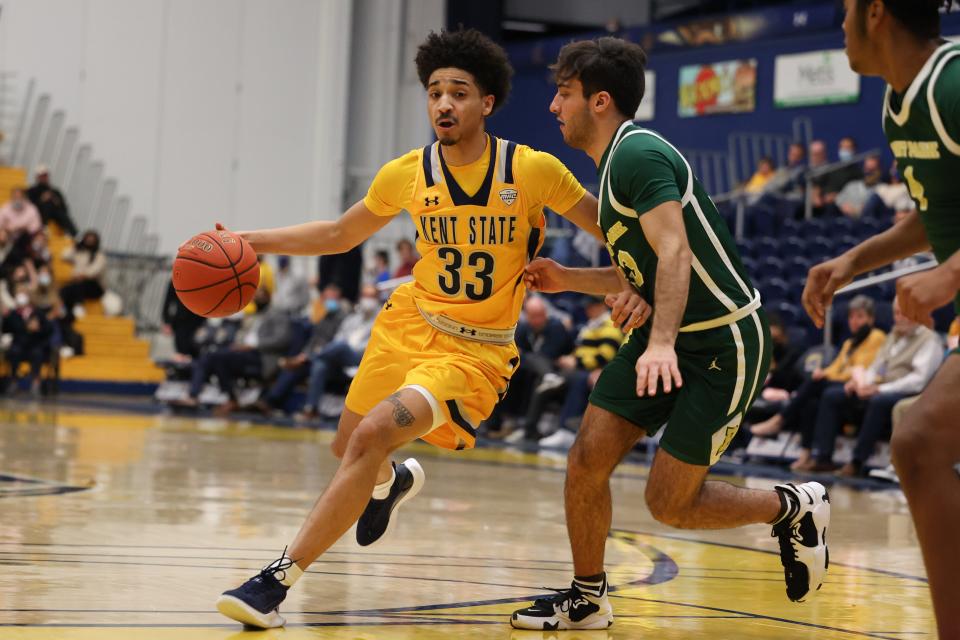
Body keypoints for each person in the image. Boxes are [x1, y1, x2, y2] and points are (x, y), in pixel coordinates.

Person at [214, 28, 626, 629]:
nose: (443, 104)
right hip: (407, 321)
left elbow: (612, 229)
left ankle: (274, 583)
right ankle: (392, 483)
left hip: (473, 353)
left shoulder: (531, 170)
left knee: (369, 437)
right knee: (349, 447)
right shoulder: (407, 173)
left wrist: (627, 282)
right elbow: (337, 234)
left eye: (459, 92)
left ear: (486, 103)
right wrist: (247, 241)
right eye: (434, 92)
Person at [511, 37, 829, 631]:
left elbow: (675, 251)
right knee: (585, 460)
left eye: (564, 93)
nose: (553, 106)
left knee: (669, 503)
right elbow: (648, 267)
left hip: (721, 344)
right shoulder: (611, 169)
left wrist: (659, 341)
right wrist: (567, 279)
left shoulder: (638, 156)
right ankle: (587, 595)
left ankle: (792, 506)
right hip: (673, 336)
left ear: (599, 101)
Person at [804, 2, 960, 633]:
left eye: (844, 10)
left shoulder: (952, 82)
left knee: (918, 442)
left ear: (875, 13)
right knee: (917, 443)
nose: (839, 26)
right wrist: (854, 260)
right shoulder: (900, 106)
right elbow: (936, 211)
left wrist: (950, 272)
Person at [750, 295, 887, 472]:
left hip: (860, 389)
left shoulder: (876, 337)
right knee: (811, 401)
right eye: (852, 317)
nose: (855, 321)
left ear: (871, 319)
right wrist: (823, 373)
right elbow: (837, 368)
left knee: (815, 385)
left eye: (860, 317)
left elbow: (860, 369)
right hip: (841, 386)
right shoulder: (849, 342)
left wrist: (828, 376)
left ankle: (780, 419)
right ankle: (813, 457)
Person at [809, 296, 942, 475]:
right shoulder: (892, 335)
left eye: (905, 312)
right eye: (896, 313)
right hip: (880, 389)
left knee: (878, 402)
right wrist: (860, 383)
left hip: (909, 394)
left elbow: (918, 380)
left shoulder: (929, 339)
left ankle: (857, 461)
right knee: (833, 395)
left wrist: (879, 388)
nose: (900, 317)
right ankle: (823, 458)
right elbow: (876, 367)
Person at [60, 230, 106, 318]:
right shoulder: (79, 253)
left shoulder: (99, 255)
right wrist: (75, 247)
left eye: (92, 240)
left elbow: (94, 271)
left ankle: (79, 306)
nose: (89, 242)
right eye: (87, 239)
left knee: (80, 285)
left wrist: (82, 275)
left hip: (95, 286)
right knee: (64, 290)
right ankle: (66, 311)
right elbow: (64, 255)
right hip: (78, 282)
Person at [26, 164, 77, 237]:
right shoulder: (31, 191)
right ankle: (43, 227)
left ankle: (74, 234)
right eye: (42, 175)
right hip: (39, 214)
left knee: (61, 214)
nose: (44, 178)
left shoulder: (55, 191)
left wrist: (57, 202)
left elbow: (65, 208)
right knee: (48, 204)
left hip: (55, 215)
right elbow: (30, 207)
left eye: (45, 175)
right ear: (37, 177)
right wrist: (42, 200)